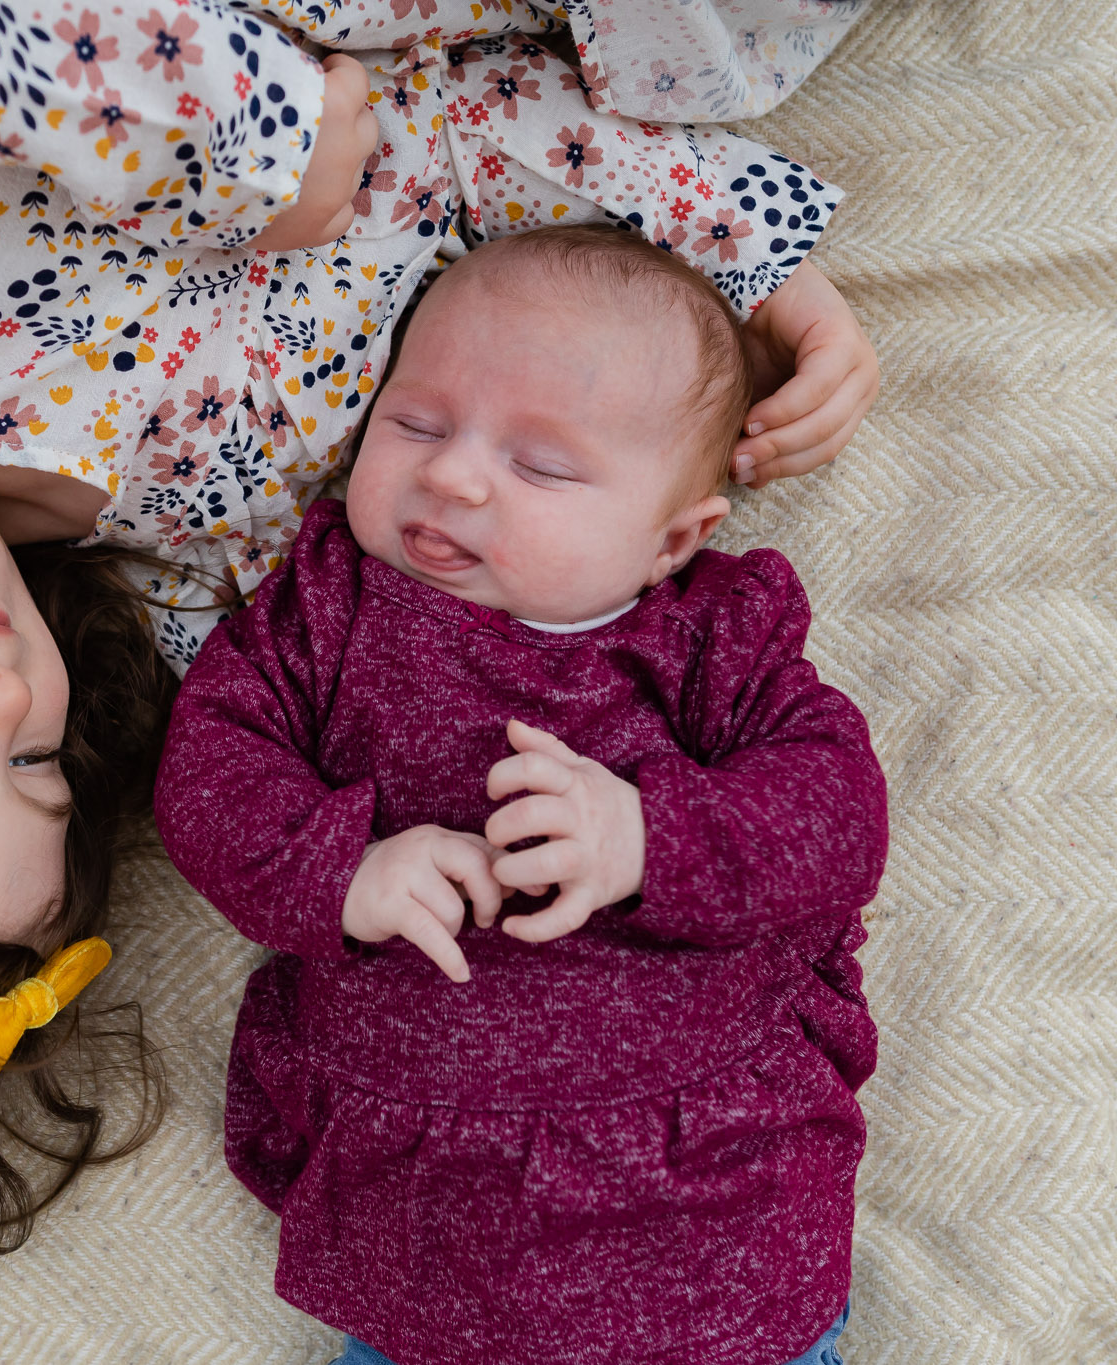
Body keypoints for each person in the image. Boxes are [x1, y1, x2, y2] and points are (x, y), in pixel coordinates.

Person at [0, 0, 874, 1266]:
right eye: (37, 763)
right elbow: (453, 138)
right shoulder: (217, 531)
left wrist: (228, 135)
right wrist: (734, 257)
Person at [154, 226, 888, 1363]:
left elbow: (834, 812)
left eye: (539, 467)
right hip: (428, 1218)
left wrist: (648, 833)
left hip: (708, 1198)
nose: (450, 475)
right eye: (415, 424)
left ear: (671, 539)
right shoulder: (329, 612)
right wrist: (338, 868)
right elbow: (209, 769)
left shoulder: (708, 639)